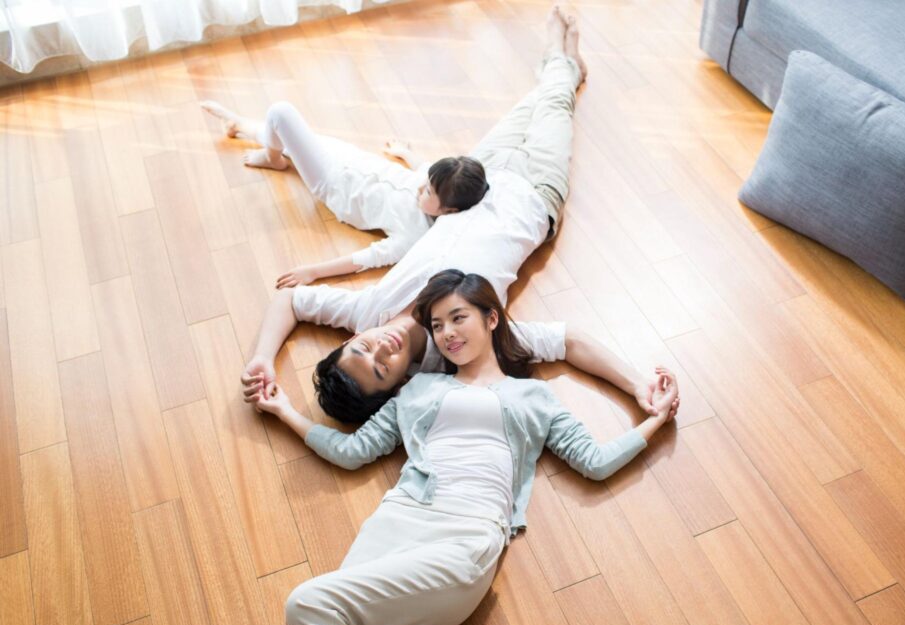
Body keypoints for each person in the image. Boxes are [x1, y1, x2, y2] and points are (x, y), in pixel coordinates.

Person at [254, 270, 679, 625]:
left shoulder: (533, 396)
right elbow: (352, 451)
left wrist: (655, 419)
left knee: (309, 606)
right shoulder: (417, 389)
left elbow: (595, 461)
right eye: (438, 325)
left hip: (466, 536)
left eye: (459, 318)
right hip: (394, 522)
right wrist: (284, 411)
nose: (448, 333)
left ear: (491, 319)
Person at [240, 6, 645, 424]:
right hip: (534, 192)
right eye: (382, 367)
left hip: (476, 176)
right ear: (397, 384)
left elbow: (290, 299)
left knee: (533, 102)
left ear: (354, 339)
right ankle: (564, 62)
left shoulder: (364, 312)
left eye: (363, 348)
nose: (383, 347)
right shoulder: (460, 348)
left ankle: (563, 66)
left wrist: (263, 358)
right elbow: (567, 340)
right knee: (556, 105)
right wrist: (638, 385)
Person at [199, 103, 489, 279]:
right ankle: (241, 126)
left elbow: (366, 259)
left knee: (281, 114)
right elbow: (422, 168)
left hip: (331, 182)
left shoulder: (414, 234)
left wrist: (314, 272)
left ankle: (273, 157)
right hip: (350, 158)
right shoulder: (435, 185)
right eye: (425, 181)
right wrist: (405, 153)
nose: (420, 189)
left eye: (427, 192)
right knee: (291, 135)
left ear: (448, 211)